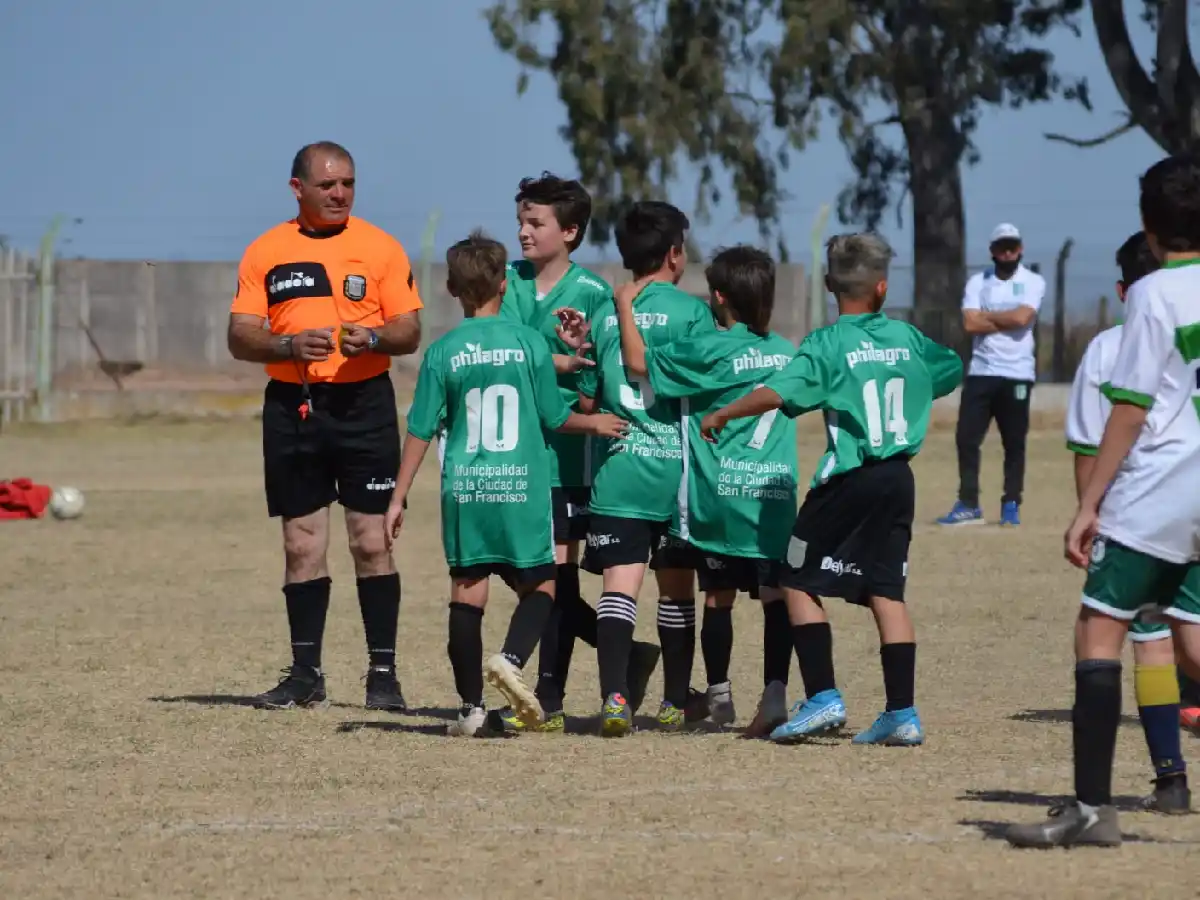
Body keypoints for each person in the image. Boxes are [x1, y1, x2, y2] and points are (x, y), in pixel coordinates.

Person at [700, 232, 963, 746]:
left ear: (828, 285)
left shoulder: (827, 344)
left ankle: (822, 696)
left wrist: (724, 411)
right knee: (887, 593)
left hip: (850, 477)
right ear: (883, 288)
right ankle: (902, 713)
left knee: (794, 578)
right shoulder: (908, 339)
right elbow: (948, 367)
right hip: (897, 480)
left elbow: (779, 392)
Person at [1007, 155, 1200, 848]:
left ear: (1150, 230)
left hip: (1162, 489)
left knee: (1100, 626)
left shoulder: (1156, 295)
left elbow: (1131, 405)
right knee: (1191, 638)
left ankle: (1091, 810)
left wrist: (1090, 502)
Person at [383, 230, 627, 737]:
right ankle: (512, 658)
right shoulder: (528, 342)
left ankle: (471, 710)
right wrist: (596, 422)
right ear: (502, 284)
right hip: (521, 487)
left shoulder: (443, 352)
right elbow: (555, 416)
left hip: (467, 489)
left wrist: (398, 495)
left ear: (451, 288)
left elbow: (420, 429)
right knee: (543, 583)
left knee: (467, 592)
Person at [227, 141, 421, 711]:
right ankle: (305, 675)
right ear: (298, 189)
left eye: (349, 184)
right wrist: (287, 344)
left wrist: (377, 337)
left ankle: (382, 676)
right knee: (300, 542)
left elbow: (409, 329)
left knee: (371, 540)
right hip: (295, 406)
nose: (340, 194)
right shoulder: (265, 251)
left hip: (365, 405)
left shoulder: (380, 247)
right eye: (328, 185)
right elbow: (240, 336)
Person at [492, 173, 661, 733]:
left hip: (567, 455)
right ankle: (629, 655)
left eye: (534, 223)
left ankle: (549, 697)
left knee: (557, 578)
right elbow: (495, 348)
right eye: (520, 221)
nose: (522, 233)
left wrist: (577, 361)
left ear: (569, 231)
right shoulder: (506, 282)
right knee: (520, 571)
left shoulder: (592, 294)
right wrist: (555, 359)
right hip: (511, 453)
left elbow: (599, 374)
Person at [610, 245, 800, 736]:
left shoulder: (705, 351)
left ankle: (719, 693)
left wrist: (625, 307)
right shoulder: (786, 351)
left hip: (716, 498)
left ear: (718, 296)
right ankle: (775, 691)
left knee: (718, 597)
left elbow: (637, 363)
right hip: (772, 500)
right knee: (776, 597)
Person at [1065, 230, 1195, 814]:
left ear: (1124, 289)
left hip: (1143, 509)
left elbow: (1091, 442)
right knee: (1186, 640)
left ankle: (1156, 783)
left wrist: (1088, 511)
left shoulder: (1110, 346)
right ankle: (1168, 781)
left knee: (1126, 636)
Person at [578, 201, 718, 736]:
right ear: (676, 255)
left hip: (619, 471)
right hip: (676, 472)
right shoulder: (690, 313)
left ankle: (615, 699)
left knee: (620, 586)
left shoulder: (606, 314)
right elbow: (703, 389)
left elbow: (590, 402)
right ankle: (674, 703)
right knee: (677, 589)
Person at [938, 223, 1045, 527]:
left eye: (1012, 246)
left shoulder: (1033, 281)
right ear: (992, 251)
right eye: (1002, 247)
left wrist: (989, 317)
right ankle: (969, 503)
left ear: (1020, 248)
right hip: (981, 371)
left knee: (1014, 442)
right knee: (966, 438)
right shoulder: (978, 282)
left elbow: (1024, 317)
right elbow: (970, 325)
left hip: (1017, 373)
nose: (1007, 252)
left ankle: (1011, 502)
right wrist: (1008, 319)